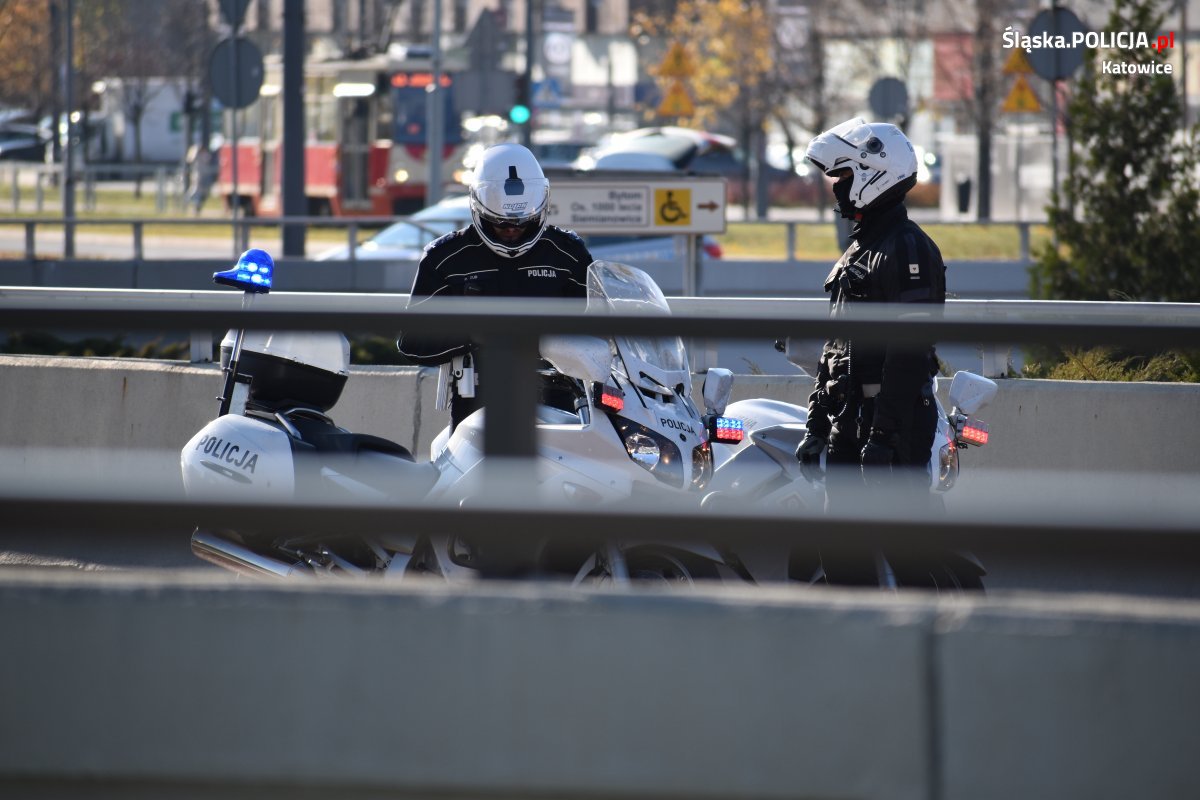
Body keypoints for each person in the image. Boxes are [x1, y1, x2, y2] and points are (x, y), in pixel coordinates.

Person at [793, 119, 946, 579]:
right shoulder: (859, 249)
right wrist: (817, 422)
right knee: (841, 557)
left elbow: (909, 353)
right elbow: (835, 347)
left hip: (893, 426)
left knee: (908, 557)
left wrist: (883, 437)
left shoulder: (909, 249)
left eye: (842, 175)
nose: (836, 186)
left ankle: (923, 626)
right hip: (850, 422)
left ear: (872, 173)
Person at [397, 142, 594, 429]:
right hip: (477, 406)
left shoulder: (568, 253)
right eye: (500, 223)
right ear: (478, 208)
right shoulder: (445, 258)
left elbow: (598, 328)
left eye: (523, 222)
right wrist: (474, 332)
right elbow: (411, 341)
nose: (512, 229)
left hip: (560, 402)